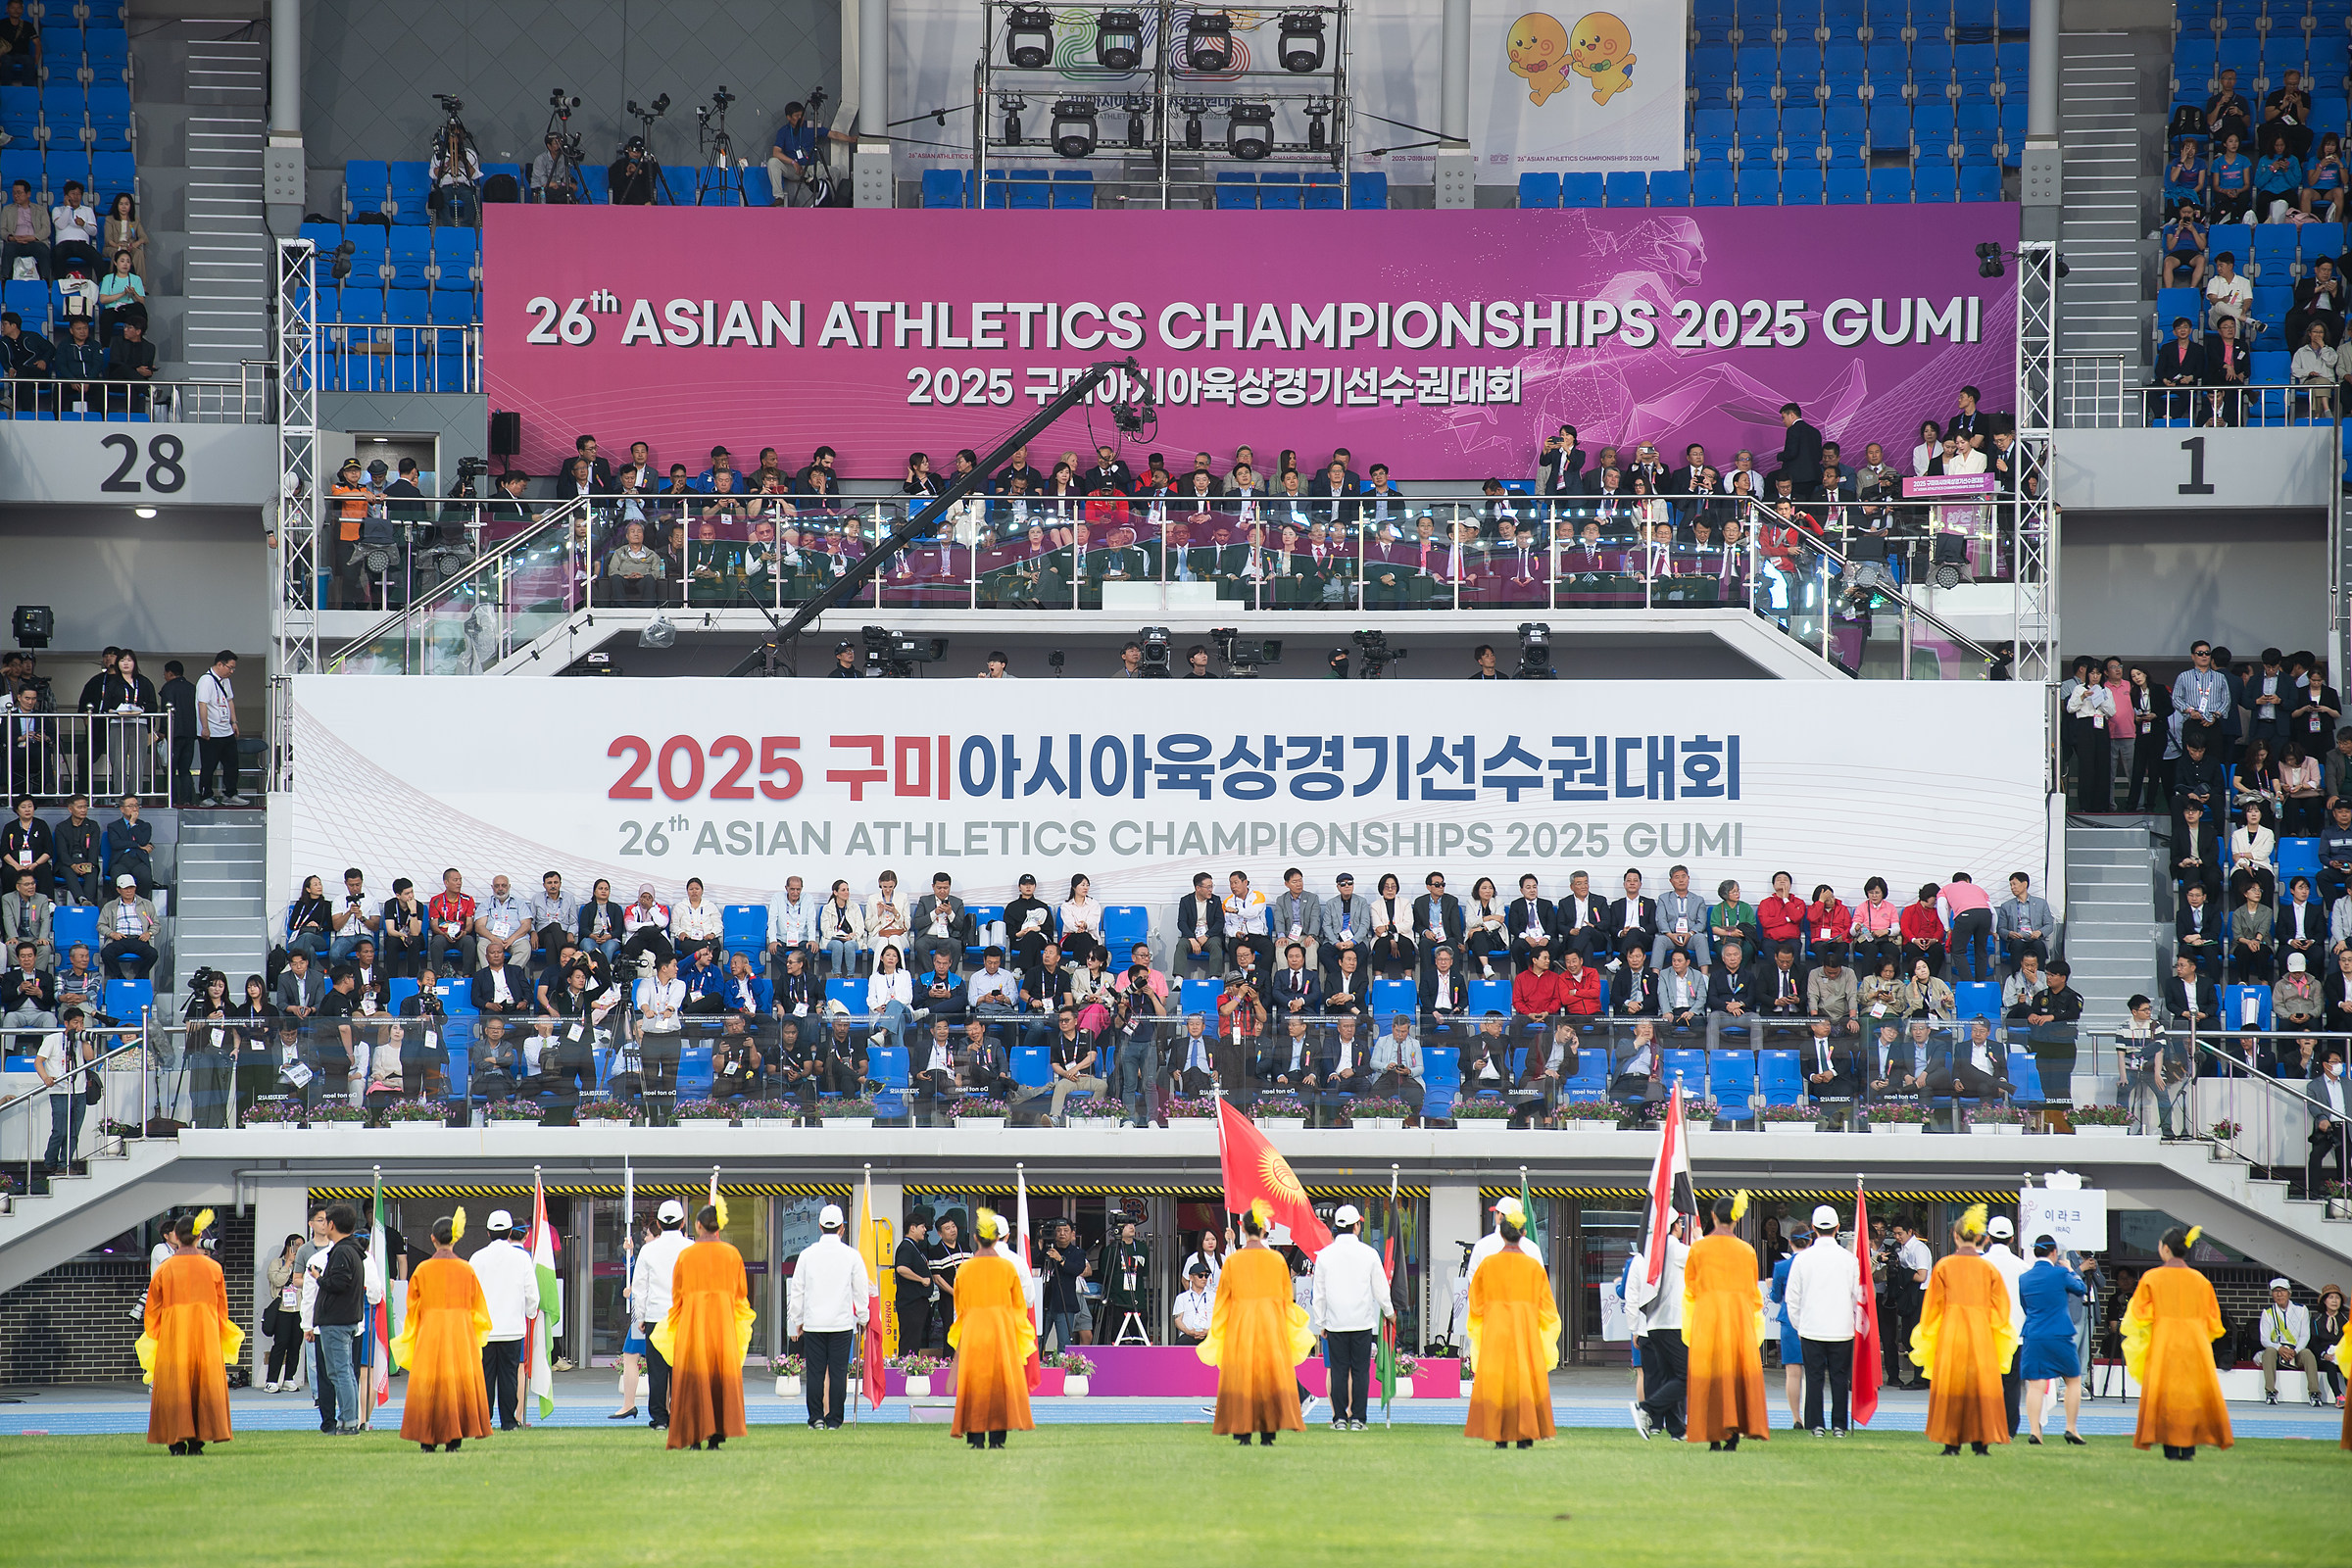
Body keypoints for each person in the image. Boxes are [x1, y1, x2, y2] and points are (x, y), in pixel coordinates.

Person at [1197, 1200, 1316, 1445]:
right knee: (1268, 1380)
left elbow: (1223, 1301)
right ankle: (1267, 1435)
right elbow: (1286, 1300)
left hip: (1241, 1326)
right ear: (1264, 1230)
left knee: (1242, 1379)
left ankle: (1243, 1435)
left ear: (1242, 1228)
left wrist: (1220, 1329)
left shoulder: (1233, 1261)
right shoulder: (1277, 1260)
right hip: (1270, 1327)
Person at [1909, 1204, 2016, 1455]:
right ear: (1981, 1238)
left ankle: (1951, 1444)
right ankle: (1981, 1444)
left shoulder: (1944, 1266)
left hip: (1952, 1332)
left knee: (1952, 1386)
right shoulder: (1989, 1269)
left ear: (1954, 1236)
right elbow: (2002, 1309)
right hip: (1981, 1333)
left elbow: (1932, 1308)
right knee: (1981, 1387)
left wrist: (1931, 1334)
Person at [2122, 1225, 2232, 1459]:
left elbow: (2138, 1314)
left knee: (2166, 1395)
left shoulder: (2152, 1278)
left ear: (2165, 1249)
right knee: (2191, 1395)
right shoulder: (2201, 1281)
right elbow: (2214, 1322)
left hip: (2164, 1342)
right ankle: (2189, 1449)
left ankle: (2170, 1449)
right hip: (2195, 1344)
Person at [136, 1208, 238, 1455]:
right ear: (199, 1236)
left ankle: (175, 1441)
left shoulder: (165, 1269)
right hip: (205, 1332)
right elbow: (222, 1308)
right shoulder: (213, 1268)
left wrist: (157, 1334)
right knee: (202, 1384)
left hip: (174, 1332)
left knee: (175, 1383)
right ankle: (197, 1442)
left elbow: (152, 1308)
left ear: (177, 1236)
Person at [654, 1202, 754, 1450]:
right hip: (722, 1326)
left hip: (693, 1325)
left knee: (692, 1381)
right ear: (718, 1227)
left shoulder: (686, 1256)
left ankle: (694, 1437)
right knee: (718, 1379)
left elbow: (677, 1295)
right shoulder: (732, 1254)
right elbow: (741, 1295)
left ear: (698, 1225)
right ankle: (716, 1437)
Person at [392, 1210, 493, 1452]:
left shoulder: (423, 1269)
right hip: (460, 1332)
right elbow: (478, 1306)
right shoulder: (466, 1269)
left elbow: (412, 1305)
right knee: (457, 1382)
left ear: (433, 1238)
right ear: (455, 1239)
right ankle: (454, 1440)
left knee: (429, 1383)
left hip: (431, 1331)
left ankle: (427, 1441)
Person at [1464, 1198, 1559, 1449]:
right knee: (1524, 1382)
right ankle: (1526, 1437)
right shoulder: (1533, 1264)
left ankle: (1500, 1437)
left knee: (1498, 1383)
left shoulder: (1487, 1262)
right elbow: (1546, 1305)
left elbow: (1475, 1298)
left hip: (1496, 1331)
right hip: (1525, 1331)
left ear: (1501, 1228)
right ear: (1524, 1233)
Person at [1678, 1195, 1770, 1450]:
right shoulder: (1747, 1251)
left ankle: (1713, 1437)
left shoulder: (1698, 1249)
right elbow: (1753, 1293)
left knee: (1710, 1377)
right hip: (1739, 1320)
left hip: (1708, 1319)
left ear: (1713, 1216)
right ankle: (1733, 1435)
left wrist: (1690, 1324)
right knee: (1735, 1375)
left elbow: (1690, 1289)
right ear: (1736, 1219)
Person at [949, 1207, 1035, 1449]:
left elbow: (959, 1305)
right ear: (1000, 1237)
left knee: (975, 1385)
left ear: (976, 1237)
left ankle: (976, 1439)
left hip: (974, 1333)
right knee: (999, 1386)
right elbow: (1024, 1302)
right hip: (1002, 1332)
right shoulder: (1009, 1267)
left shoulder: (965, 1268)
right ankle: (997, 1440)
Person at [785, 1201, 870, 1431]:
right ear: (842, 1228)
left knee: (815, 1372)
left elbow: (798, 1290)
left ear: (820, 1227)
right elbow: (860, 1290)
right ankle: (834, 1420)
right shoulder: (851, 1255)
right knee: (838, 1373)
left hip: (814, 1323)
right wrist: (863, 1317)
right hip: (841, 1323)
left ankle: (816, 1418)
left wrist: (797, 1319)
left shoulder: (807, 1255)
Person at [1311, 1203, 1394, 1433]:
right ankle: (1358, 1418)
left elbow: (1319, 1293)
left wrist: (1320, 1322)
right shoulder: (1369, 1254)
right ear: (1356, 1226)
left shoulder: (1324, 1255)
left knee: (1338, 1371)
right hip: (1361, 1322)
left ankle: (1339, 1418)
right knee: (1360, 1372)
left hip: (1335, 1322)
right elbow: (1380, 1288)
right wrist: (1389, 1312)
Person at [1785, 1204, 1862, 1436]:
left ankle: (1815, 1424)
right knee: (1840, 1378)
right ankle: (1839, 1425)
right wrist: (1852, 1322)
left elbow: (1792, 1298)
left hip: (1811, 1327)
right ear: (1837, 1227)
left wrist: (1799, 1325)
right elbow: (1857, 1296)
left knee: (1814, 1378)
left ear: (1813, 1228)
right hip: (1842, 1329)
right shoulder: (1849, 1259)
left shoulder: (1802, 1259)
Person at [467, 1208, 538, 1433]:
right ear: (509, 1232)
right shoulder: (522, 1258)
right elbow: (532, 1293)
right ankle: (509, 1422)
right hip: (512, 1328)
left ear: (488, 1232)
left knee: (485, 1377)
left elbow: (469, 1294)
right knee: (509, 1377)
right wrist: (530, 1313)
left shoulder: (476, 1258)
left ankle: (483, 1421)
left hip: (484, 1330)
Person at [2017, 1235, 2089, 1446]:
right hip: (2059, 1333)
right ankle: (2071, 1428)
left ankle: (2034, 1431)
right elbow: (2080, 1289)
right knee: (2072, 1380)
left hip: (2034, 1334)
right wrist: (2070, 1270)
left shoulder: (2025, 1278)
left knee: (2036, 1384)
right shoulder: (2060, 1273)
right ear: (2054, 1252)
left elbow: (2025, 1305)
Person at [631, 1198, 692, 1432]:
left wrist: (641, 1317)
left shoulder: (648, 1250)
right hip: (684, 1316)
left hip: (656, 1316)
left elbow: (640, 1286)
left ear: (657, 1223)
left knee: (657, 1372)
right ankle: (681, 1416)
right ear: (682, 1222)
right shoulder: (691, 1248)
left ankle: (659, 1418)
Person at [2257, 1276, 2325, 1405]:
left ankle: (2314, 1393)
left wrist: (2295, 1351)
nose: (2279, 1294)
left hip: (2296, 1351)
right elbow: (2264, 1339)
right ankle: (2270, 1392)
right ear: (2272, 1294)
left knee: (2308, 1354)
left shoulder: (2301, 1309)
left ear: (2289, 1293)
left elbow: (2305, 1335)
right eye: (2276, 1291)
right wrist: (2279, 1348)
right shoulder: (2267, 1312)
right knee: (2269, 1351)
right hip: (2277, 1352)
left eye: (2282, 1291)